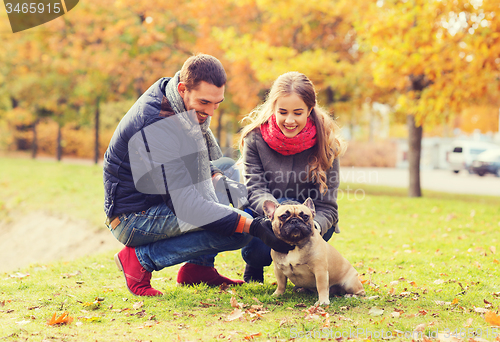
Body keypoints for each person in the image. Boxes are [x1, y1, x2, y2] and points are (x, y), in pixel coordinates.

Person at [103, 54, 293, 296]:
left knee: (224, 168)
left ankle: (198, 269)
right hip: (133, 217)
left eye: (217, 103)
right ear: (183, 89)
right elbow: (187, 206)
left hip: (158, 199)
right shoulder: (157, 125)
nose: (210, 111)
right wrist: (253, 226)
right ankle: (139, 260)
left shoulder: (174, 96)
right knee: (238, 232)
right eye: (205, 102)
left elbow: (200, 164)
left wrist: (218, 180)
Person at [238, 71, 347, 283]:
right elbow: (256, 190)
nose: (289, 120)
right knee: (258, 250)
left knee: (309, 243)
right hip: (269, 215)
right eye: (283, 112)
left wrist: (313, 225)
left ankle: (305, 275)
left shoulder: (327, 145)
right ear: (273, 109)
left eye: (298, 113)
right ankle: (255, 263)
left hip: (311, 221)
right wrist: (277, 213)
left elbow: (327, 205)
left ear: (310, 110)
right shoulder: (254, 139)